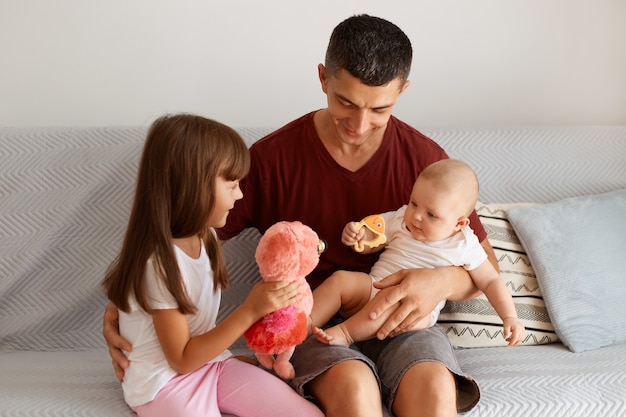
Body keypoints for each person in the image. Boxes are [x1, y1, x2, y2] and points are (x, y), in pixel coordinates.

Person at [104, 15, 499, 416]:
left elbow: (484, 269)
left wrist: (439, 280)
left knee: (432, 391)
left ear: (403, 91)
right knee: (355, 391)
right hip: (310, 326)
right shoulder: (271, 159)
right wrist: (121, 312)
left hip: (403, 321)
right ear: (323, 78)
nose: (360, 125)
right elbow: (176, 233)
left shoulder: (428, 165)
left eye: (379, 108)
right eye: (346, 102)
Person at [101, 114, 323, 417]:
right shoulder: (160, 265)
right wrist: (250, 311)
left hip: (210, 365)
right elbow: (180, 359)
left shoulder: (204, 236)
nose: (240, 194)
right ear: (192, 185)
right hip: (162, 385)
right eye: (231, 183)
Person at [310, 159, 525, 348]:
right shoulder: (402, 217)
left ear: (459, 223)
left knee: (392, 299)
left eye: (431, 214)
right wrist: (359, 236)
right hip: (373, 286)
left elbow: (490, 281)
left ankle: (345, 334)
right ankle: (303, 325)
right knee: (340, 280)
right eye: (414, 203)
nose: (416, 216)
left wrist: (509, 317)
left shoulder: (464, 244)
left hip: (412, 311)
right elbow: (375, 237)